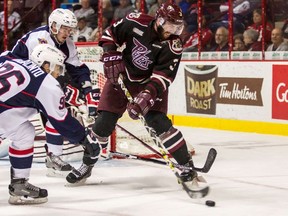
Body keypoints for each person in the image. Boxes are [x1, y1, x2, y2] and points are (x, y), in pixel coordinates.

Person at [66, 2, 198, 185]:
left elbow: (164, 77)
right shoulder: (135, 21)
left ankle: (186, 165)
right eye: (169, 25)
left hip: (150, 83)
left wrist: (146, 96)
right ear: (159, 20)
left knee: (159, 124)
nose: (172, 30)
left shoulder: (174, 44)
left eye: (177, 27)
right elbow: (108, 35)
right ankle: (86, 165)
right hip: (123, 77)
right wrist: (111, 53)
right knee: (102, 124)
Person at [0, 44, 100, 204]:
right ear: (46, 65)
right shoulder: (46, 83)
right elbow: (61, 121)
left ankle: (19, 183)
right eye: (57, 68)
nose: (59, 73)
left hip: (4, 113)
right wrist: (85, 139)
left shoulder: (14, 59)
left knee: (24, 132)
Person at [11, 8, 100, 176]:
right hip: (20, 85)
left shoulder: (67, 44)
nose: (68, 33)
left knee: (57, 112)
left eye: (70, 29)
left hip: (31, 85)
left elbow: (77, 68)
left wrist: (87, 90)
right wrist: (65, 90)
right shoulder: (38, 39)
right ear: (53, 25)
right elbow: (38, 71)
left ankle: (54, 158)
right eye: (64, 28)